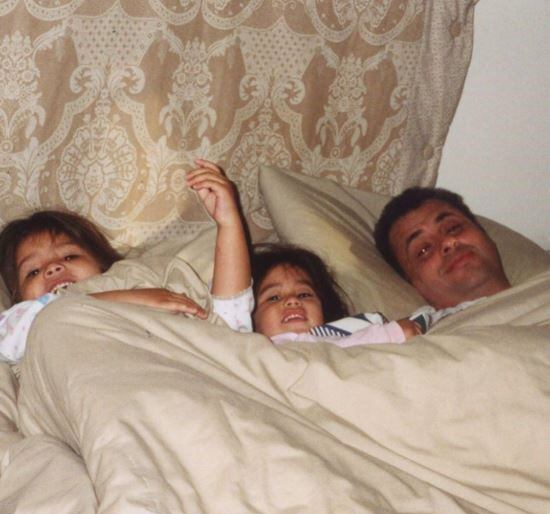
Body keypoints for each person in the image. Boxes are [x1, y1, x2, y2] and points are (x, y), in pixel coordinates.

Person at [0, 159, 253, 363]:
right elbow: (26, 327)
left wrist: (229, 222)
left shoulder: (141, 276)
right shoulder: (22, 322)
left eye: (69, 256)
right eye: (32, 271)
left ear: (101, 264)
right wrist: (128, 299)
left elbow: (229, 330)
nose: (53, 267)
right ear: (19, 296)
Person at [374, 187, 511, 313]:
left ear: (485, 234)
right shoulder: (431, 339)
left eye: (453, 228)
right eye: (424, 250)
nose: (448, 242)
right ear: (414, 286)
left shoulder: (533, 292)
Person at [251, 244, 421, 346]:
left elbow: (337, 348)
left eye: (304, 294)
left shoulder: (332, 337)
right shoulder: (256, 350)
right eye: (273, 297)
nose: (292, 300)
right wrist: (391, 334)